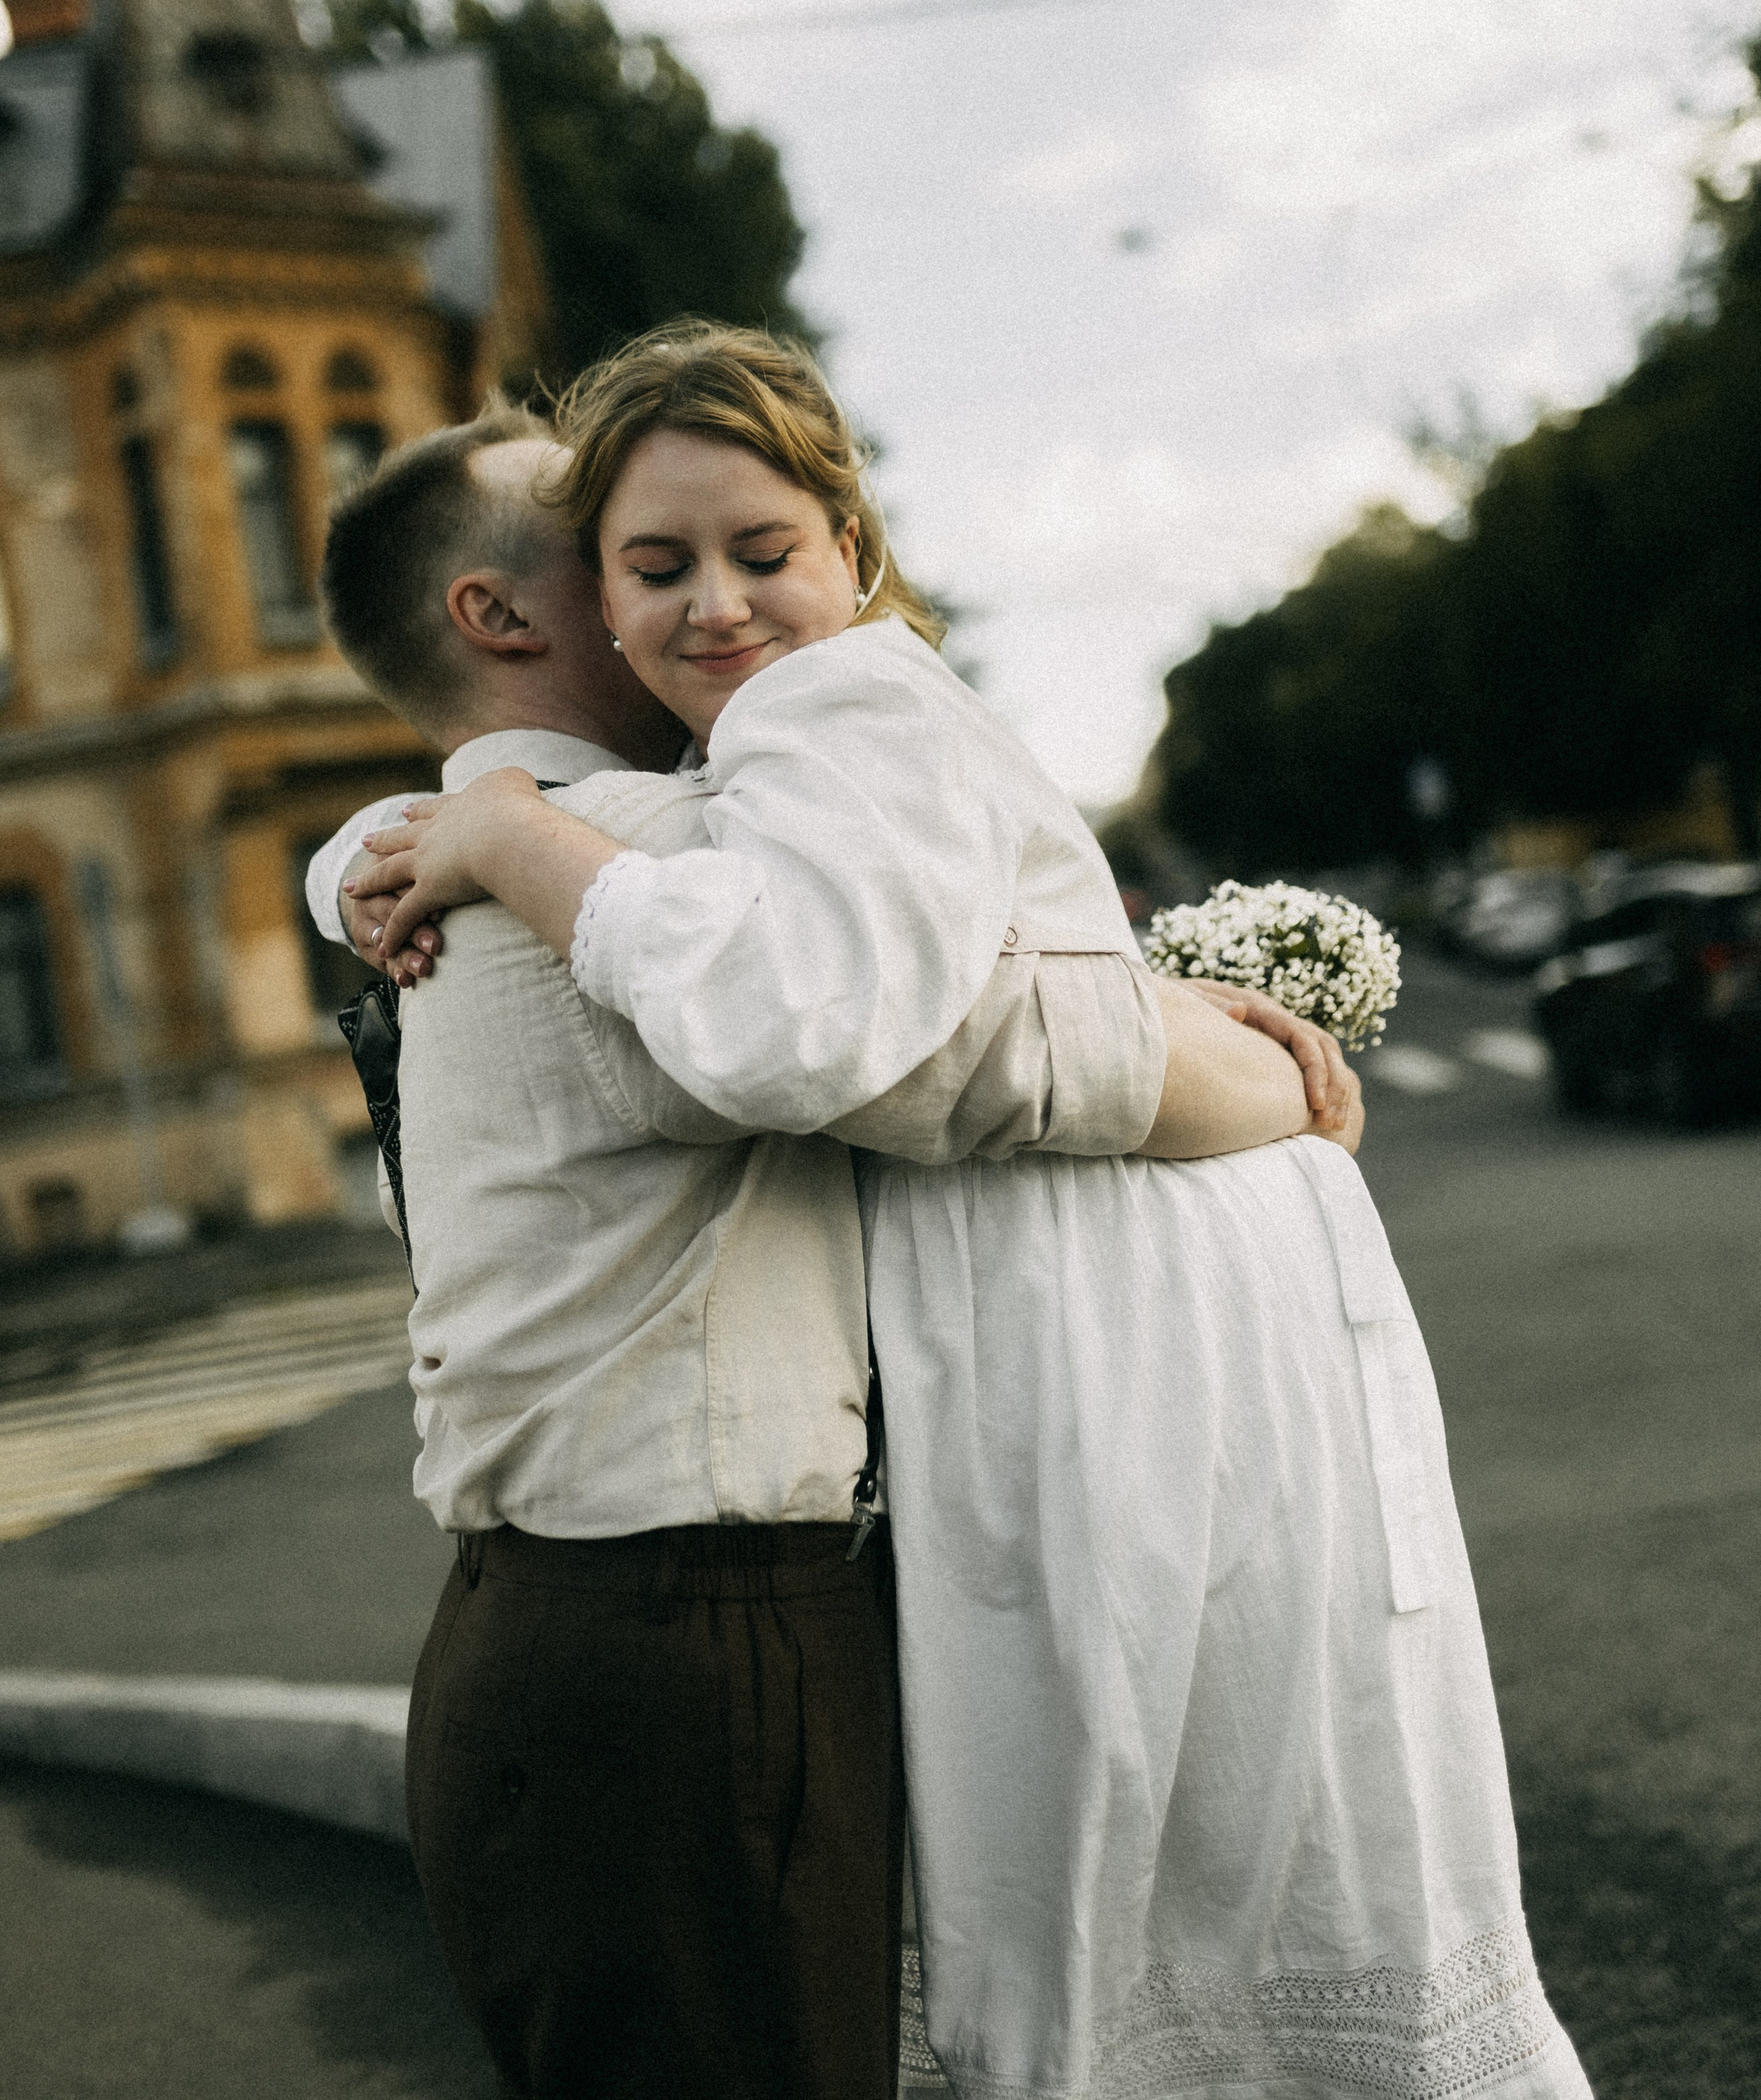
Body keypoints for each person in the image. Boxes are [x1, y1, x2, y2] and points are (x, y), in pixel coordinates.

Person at [353, 324, 1592, 2100]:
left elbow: (822, 1016)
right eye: (651, 563)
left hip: (1077, 1351)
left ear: (852, 554)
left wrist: (499, 836)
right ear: (558, 611)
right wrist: (467, 829)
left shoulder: (806, 713)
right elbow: (874, 1012)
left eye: (761, 551)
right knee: (1162, 1849)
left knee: (1135, 1832)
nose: (714, 601)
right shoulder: (654, 796)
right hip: (829, 1489)